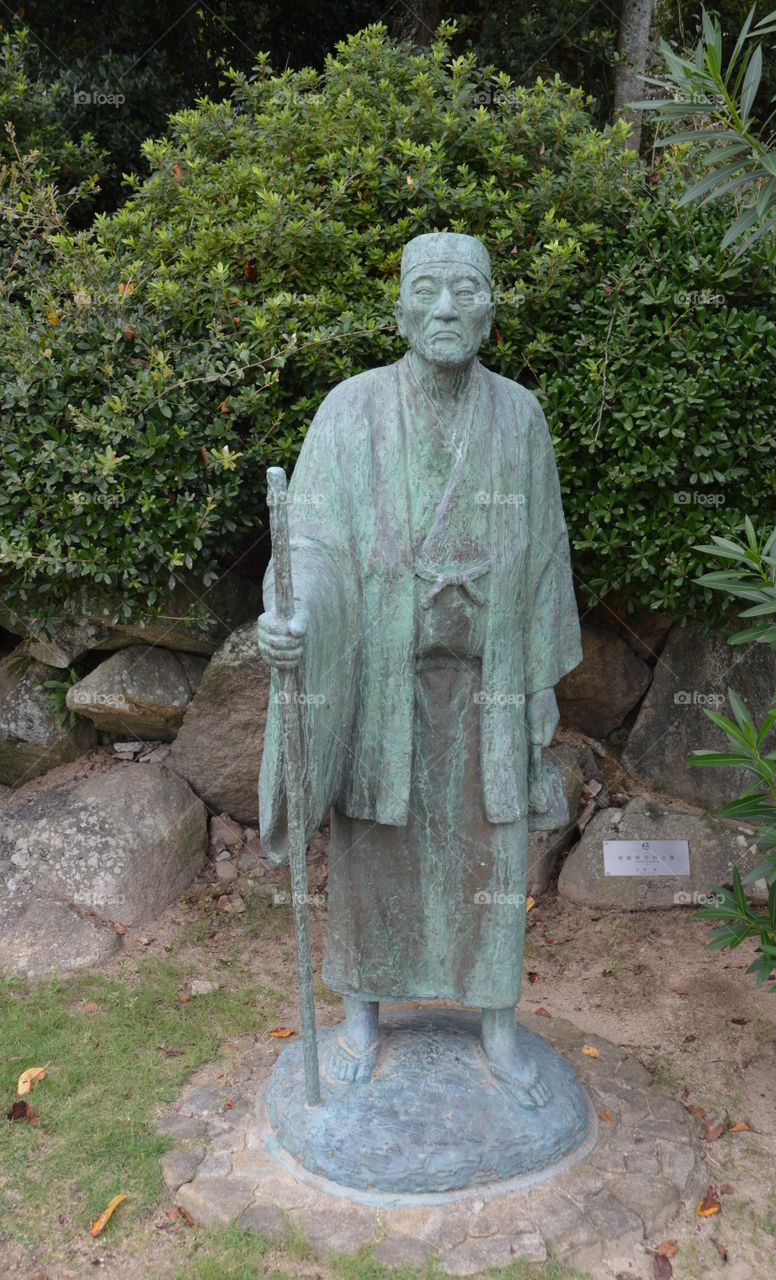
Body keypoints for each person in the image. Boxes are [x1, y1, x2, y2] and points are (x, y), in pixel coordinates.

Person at [257, 231, 581, 1108]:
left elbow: (546, 553)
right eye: (427, 290)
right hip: (385, 682)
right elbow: (315, 542)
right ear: (399, 308)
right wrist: (294, 616)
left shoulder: (520, 416)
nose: (445, 306)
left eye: (465, 290)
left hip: (488, 679)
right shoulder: (352, 410)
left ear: (489, 310)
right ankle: (362, 1011)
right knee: (376, 847)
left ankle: (498, 1022)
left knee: (491, 851)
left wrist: (539, 690)